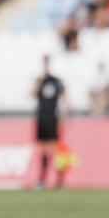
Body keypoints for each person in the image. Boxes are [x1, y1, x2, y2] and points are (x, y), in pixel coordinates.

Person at [32, 55, 69, 189]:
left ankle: (59, 180)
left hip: (53, 117)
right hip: (42, 117)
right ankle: (42, 180)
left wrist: (66, 113)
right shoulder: (39, 80)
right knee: (43, 150)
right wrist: (40, 80)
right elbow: (32, 93)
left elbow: (64, 97)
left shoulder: (56, 81)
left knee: (55, 150)